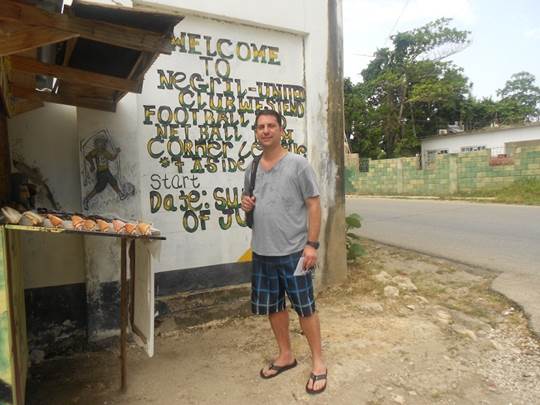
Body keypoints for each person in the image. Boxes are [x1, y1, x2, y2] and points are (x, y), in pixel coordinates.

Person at [241, 109, 327, 394]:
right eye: (260, 127)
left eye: (271, 125)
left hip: (295, 252)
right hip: (262, 251)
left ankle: (318, 362)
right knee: (273, 307)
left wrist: (312, 244)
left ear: (281, 130)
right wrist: (246, 206)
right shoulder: (252, 168)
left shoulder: (298, 165)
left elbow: (314, 204)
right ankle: (286, 355)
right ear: (256, 132)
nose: (265, 130)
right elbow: (248, 207)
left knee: (305, 307)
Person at [83, 136, 126, 209]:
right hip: (100, 173)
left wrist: (116, 153)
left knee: (113, 181)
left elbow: (112, 158)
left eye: (103, 144)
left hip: (106, 171)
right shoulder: (95, 151)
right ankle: (87, 199)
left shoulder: (105, 152)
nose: (101, 145)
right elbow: (88, 157)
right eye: (99, 144)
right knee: (99, 187)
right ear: (96, 145)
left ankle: (120, 194)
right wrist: (92, 165)